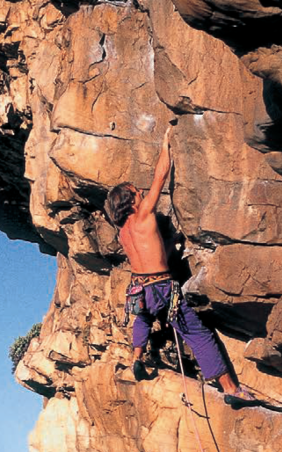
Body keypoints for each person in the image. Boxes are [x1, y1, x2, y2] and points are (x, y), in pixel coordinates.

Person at [105, 127, 255, 407]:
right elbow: (160, 176)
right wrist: (165, 144)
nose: (140, 191)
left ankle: (136, 357)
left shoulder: (124, 233)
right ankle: (231, 389)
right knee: (198, 335)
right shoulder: (144, 215)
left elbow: (150, 255)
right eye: (135, 192)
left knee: (144, 319)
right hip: (163, 288)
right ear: (131, 202)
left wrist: (171, 242)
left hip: (140, 289)